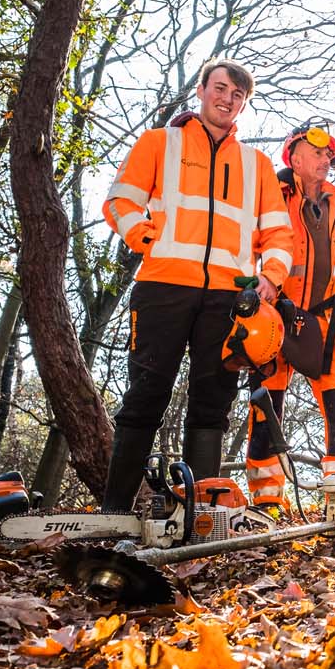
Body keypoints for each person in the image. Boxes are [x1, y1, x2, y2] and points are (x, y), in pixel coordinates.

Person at [100, 58, 294, 511]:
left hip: (228, 301)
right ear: (202, 90)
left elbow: (279, 234)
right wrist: (143, 236)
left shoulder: (257, 164)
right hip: (163, 287)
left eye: (237, 95)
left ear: (243, 105)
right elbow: (120, 200)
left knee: (212, 403)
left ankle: (200, 513)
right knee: (147, 393)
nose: (227, 99)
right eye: (221, 89)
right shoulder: (159, 143)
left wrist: (270, 277)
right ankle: (114, 510)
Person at [243, 121, 335, 509]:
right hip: (273, 321)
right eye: (317, 152)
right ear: (293, 158)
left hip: (329, 324)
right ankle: (266, 503)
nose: (325, 159)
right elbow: (249, 251)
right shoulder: (269, 202)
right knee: (266, 409)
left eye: (329, 154)